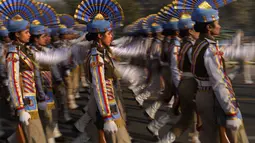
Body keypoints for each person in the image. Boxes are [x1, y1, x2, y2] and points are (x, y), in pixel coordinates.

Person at [181, 1, 249, 142]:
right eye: (217, 23)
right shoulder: (210, 49)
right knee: (235, 138)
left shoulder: (197, 45)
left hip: (202, 95)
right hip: (213, 98)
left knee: (209, 137)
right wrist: (231, 112)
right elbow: (218, 82)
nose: (220, 26)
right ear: (209, 27)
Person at [74, 0, 131, 142]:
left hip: (106, 100)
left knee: (93, 134)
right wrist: (107, 116)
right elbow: (100, 86)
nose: (112, 36)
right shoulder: (96, 57)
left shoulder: (102, 53)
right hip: (106, 102)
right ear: (100, 35)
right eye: (109, 33)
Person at [157, 13, 200, 143]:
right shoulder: (190, 46)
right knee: (193, 117)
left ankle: (193, 137)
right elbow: (189, 67)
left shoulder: (184, 44)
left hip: (185, 82)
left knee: (188, 118)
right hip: (191, 83)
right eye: (195, 28)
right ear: (190, 30)